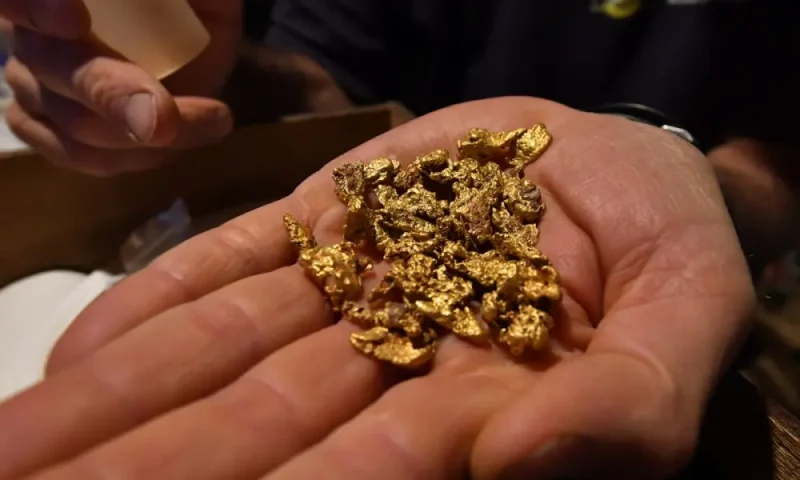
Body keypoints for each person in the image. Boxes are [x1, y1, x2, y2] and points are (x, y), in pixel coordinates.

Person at [0, 0, 794, 478]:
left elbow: (782, 161)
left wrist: (686, 176)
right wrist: (204, 75)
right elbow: (328, 82)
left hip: (733, 331)